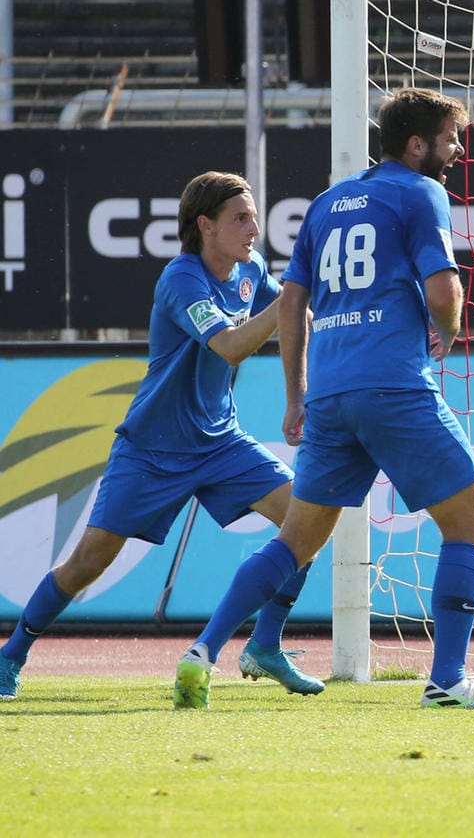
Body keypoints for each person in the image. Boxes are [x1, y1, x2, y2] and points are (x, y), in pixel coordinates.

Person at [174, 88, 474, 710]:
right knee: (472, 523)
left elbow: (292, 304)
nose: (457, 149)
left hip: (330, 394)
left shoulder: (327, 204)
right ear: (417, 144)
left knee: (296, 539)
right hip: (393, 385)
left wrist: (296, 394)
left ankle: (202, 650)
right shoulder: (420, 192)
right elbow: (443, 289)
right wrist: (450, 329)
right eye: (450, 138)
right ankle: (448, 680)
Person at [0, 173, 320, 702]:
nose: (254, 229)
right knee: (88, 562)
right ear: (205, 226)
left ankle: (265, 644)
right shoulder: (181, 279)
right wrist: (286, 303)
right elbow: (232, 346)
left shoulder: (252, 270)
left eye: (255, 216)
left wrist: (297, 393)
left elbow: (295, 319)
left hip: (221, 441)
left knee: (306, 522)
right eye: (241, 218)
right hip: (151, 449)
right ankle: (11, 655)